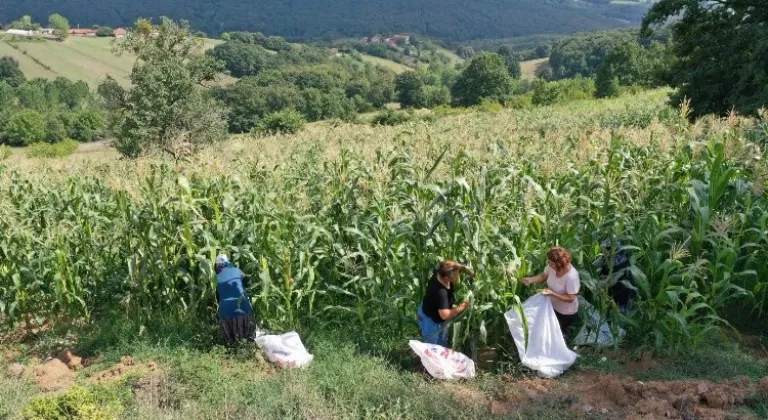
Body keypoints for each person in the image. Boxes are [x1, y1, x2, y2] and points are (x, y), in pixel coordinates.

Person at [523, 247, 581, 335]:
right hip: (551, 306)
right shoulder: (552, 267)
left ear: (559, 264)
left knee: (554, 334)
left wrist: (552, 294)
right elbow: (543, 276)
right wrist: (530, 280)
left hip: (565, 313)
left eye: (551, 263)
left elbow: (571, 298)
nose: (549, 265)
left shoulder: (571, 277)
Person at [417, 260, 474, 347]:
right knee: (432, 349)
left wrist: (470, 273)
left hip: (436, 314)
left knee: (442, 346)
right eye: (455, 276)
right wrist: (462, 307)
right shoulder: (440, 292)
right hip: (430, 320)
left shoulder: (440, 271)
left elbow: (452, 266)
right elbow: (445, 315)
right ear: (446, 278)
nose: (457, 276)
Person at [215, 254, 256, 347]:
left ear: (218, 265)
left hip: (225, 313)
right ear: (228, 263)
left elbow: (219, 298)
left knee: (231, 345)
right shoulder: (237, 270)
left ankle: (231, 348)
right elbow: (248, 282)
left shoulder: (216, 277)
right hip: (242, 308)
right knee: (247, 340)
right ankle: (247, 346)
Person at [594, 239, 635, 315]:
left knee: (620, 317)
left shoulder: (622, 263)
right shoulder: (605, 258)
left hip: (622, 295)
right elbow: (592, 266)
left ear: (612, 250)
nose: (603, 252)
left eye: (605, 250)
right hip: (610, 296)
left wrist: (632, 296)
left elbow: (630, 280)